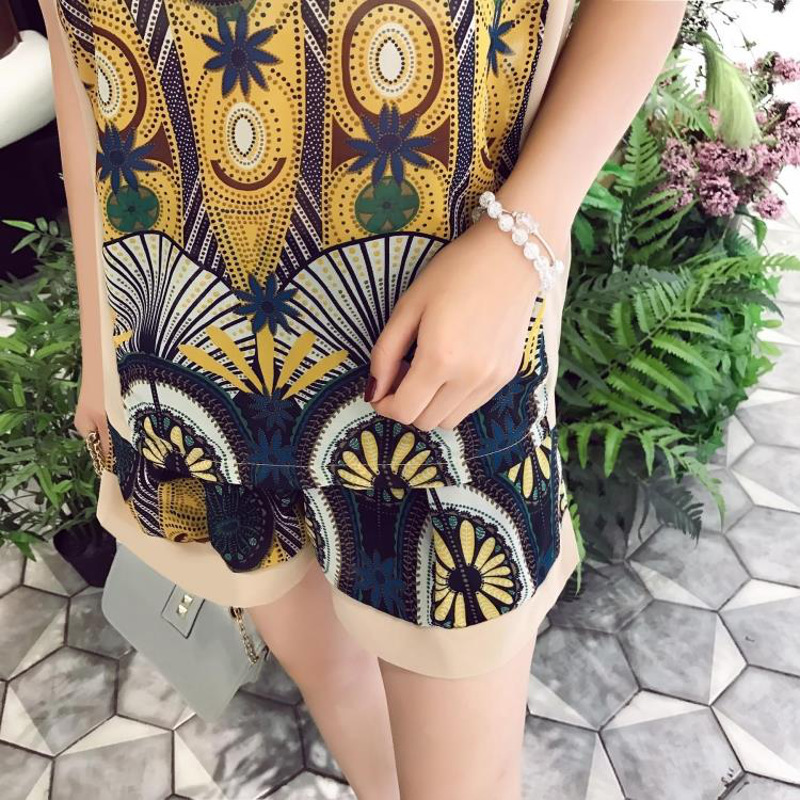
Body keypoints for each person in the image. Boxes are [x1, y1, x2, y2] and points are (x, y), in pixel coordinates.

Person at [39, 0, 687, 797]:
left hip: (441, 361)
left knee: (463, 778)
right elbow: (78, 50)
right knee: (334, 682)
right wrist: (99, 347)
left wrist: (524, 234)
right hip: (191, 349)